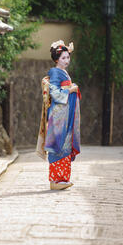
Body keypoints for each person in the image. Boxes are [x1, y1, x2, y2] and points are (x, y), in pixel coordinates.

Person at [36, 40, 81, 190]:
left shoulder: (62, 72)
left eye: (68, 57)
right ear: (56, 59)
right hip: (58, 113)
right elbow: (54, 92)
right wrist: (70, 90)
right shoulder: (55, 72)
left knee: (65, 144)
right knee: (58, 144)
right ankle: (55, 180)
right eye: (63, 58)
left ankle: (62, 179)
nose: (66, 60)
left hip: (64, 112)